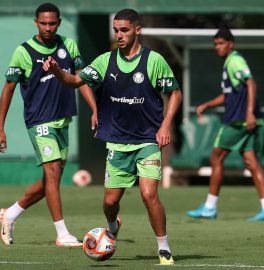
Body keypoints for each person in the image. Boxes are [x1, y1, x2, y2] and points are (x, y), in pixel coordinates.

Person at [43, 8, 182, 265]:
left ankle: (163, 247)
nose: (119, 34)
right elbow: (75, 80)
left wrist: (165, 127)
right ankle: (112, 224)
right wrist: (57, 72)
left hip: (148, 140)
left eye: (124, 30)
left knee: (148, 195)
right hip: (118, 142)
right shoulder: (105, 61)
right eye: (116, 30)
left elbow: (175, 93)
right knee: (110, 202)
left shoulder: (153, 61)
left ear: (137, 30)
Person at [0, 2, 97, 247]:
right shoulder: (23, 52)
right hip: (39, 121)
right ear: (36, 23)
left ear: (59, 23)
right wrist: (0, 128)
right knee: (52, 173)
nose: (48, 27)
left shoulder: (68, 45)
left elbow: (81, 79)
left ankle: (10, 214)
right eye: (43, 23)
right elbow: (8, 89)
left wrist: (95, 109)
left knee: (50, 181)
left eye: (52, 23)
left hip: (63, 119)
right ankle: (62, 234)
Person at [186, 27, 264, 221]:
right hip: (245, 119)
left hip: (238, 120)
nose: (217, 47)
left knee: (215, 158)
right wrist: (208, 104)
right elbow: (229, 95)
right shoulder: (229, 62)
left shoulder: (235, 60)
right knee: (251, 162)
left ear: (231, 44)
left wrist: (250, 113)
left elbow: (251, 83)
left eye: (221, 43)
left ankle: (210, 207)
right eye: (215, 44)